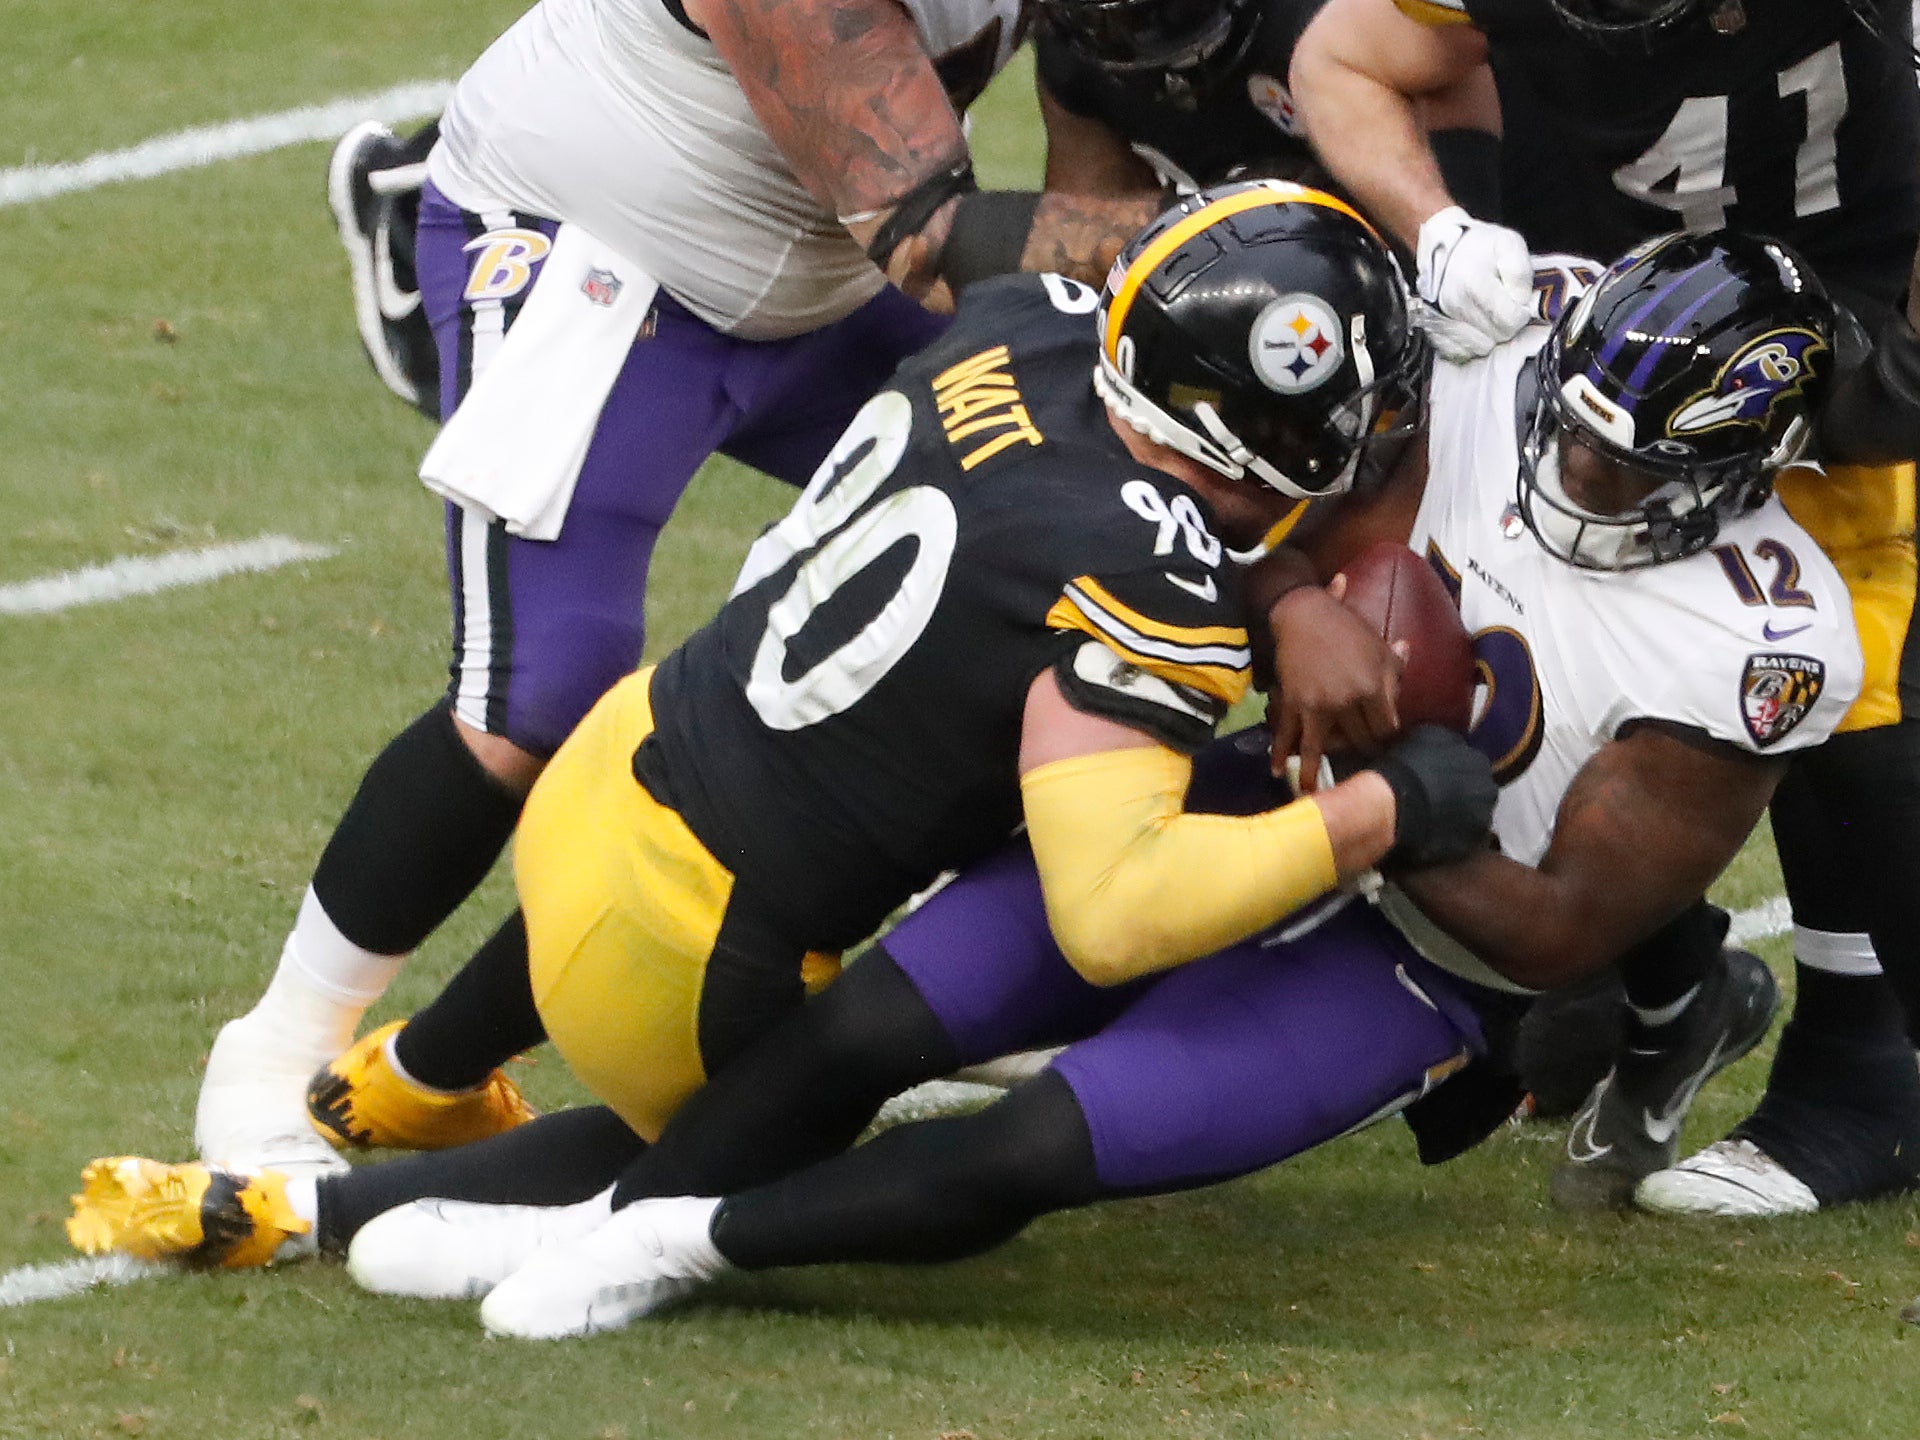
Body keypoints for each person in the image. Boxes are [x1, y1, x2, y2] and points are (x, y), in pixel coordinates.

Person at [73, 228, 1858, 1340]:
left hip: (1424, 953)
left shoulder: (1763, 641)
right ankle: (386, 1205)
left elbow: (1553, 927)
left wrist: (1390, 796)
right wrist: (1305, 614)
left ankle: (677, 1246)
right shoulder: (1514, 332)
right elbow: (1291, 493)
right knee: (864, 1031)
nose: (1574, 474)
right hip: (1283, 794)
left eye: (1629, 471)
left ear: (1740, 476)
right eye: (1573, 431)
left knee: (1037, 1143)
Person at [197, 0, 1182, 1179]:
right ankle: (280, 1046)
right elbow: (934, 236)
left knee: (1046, 550)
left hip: (828, 284)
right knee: (538, 693)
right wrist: (1242, 248)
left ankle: (961, 964)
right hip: (602, 249)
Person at [1290, 0, 1920, 1215]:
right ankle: (1660, 987)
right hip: (1615, 320)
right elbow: (1342, 57)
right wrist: (1439, 228)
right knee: (1517, 622)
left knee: (1846, 695)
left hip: (1839, 308)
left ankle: (1860, 1074)